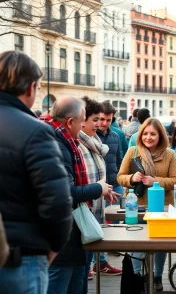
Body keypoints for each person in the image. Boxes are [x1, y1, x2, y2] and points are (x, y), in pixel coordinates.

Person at [0, 51, 73, 293]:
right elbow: (58, 201)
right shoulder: (35, 131)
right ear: (31, 88)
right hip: (20, 258)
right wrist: (52, 248)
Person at [46, 97, 118, 294]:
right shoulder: (59, 145)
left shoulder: (66, 141)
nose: (89, 124)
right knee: (63, 285)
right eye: (85, 119)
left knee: (77, 282)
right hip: (65, 230)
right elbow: (67, 192)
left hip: (76, 226)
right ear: (71, 122)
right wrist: (98, 188)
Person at [117, 117, 176, 292]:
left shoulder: (169, 154)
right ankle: (137, 277)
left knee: (160, 244)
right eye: (145, 133)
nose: (148, 137)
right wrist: (131, 178)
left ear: (160, 135)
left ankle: (157, 275)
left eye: (153, 134)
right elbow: (120, 177)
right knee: (136, 243)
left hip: (162, 208)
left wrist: (156, 181)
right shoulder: (132, 151)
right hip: (135, 207)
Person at [78, 97, 122, 290]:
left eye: (103, 119)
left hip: (95, 208)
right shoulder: (77, 145)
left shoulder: (95, 142)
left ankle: (99, 264)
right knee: (79, 269)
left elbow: (98, 173)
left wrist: (104, 190)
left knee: (84, 265)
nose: (99, 124)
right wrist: (99, 188)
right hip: (82, 213)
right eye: (95, 119)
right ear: (82, 120)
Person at [96, 101, 124, 209]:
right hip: (98, 187)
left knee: (117, 219)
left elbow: (118, 160)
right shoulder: (91, 136)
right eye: (102, 119)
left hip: (115, 185)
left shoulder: (115, 136)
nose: (104, 123)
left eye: (108, 120)